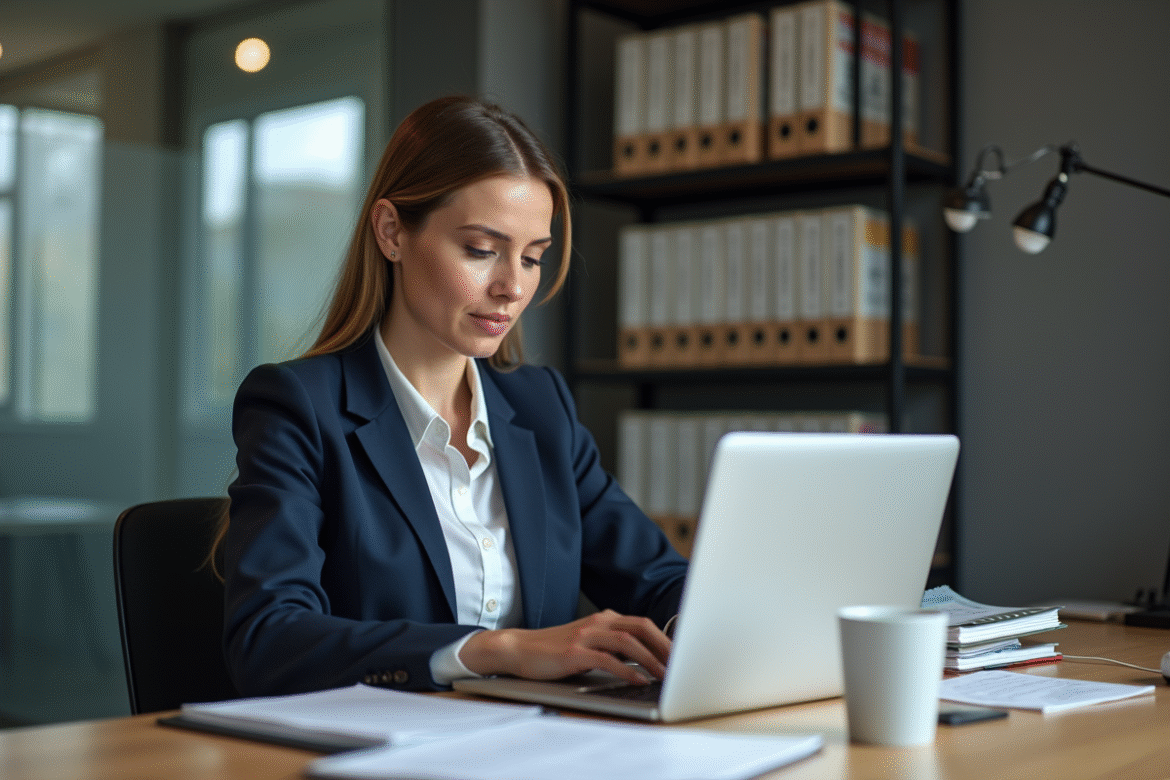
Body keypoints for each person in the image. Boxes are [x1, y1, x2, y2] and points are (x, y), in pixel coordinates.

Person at [215, 95, 688, 697]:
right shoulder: (298, 406)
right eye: (480, 250)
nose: (512, 287)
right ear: (392, 232)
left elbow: (657, 577)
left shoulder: (541, 407)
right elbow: (268, 641)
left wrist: (695, 631)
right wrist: (496, 650)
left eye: (533, 257)